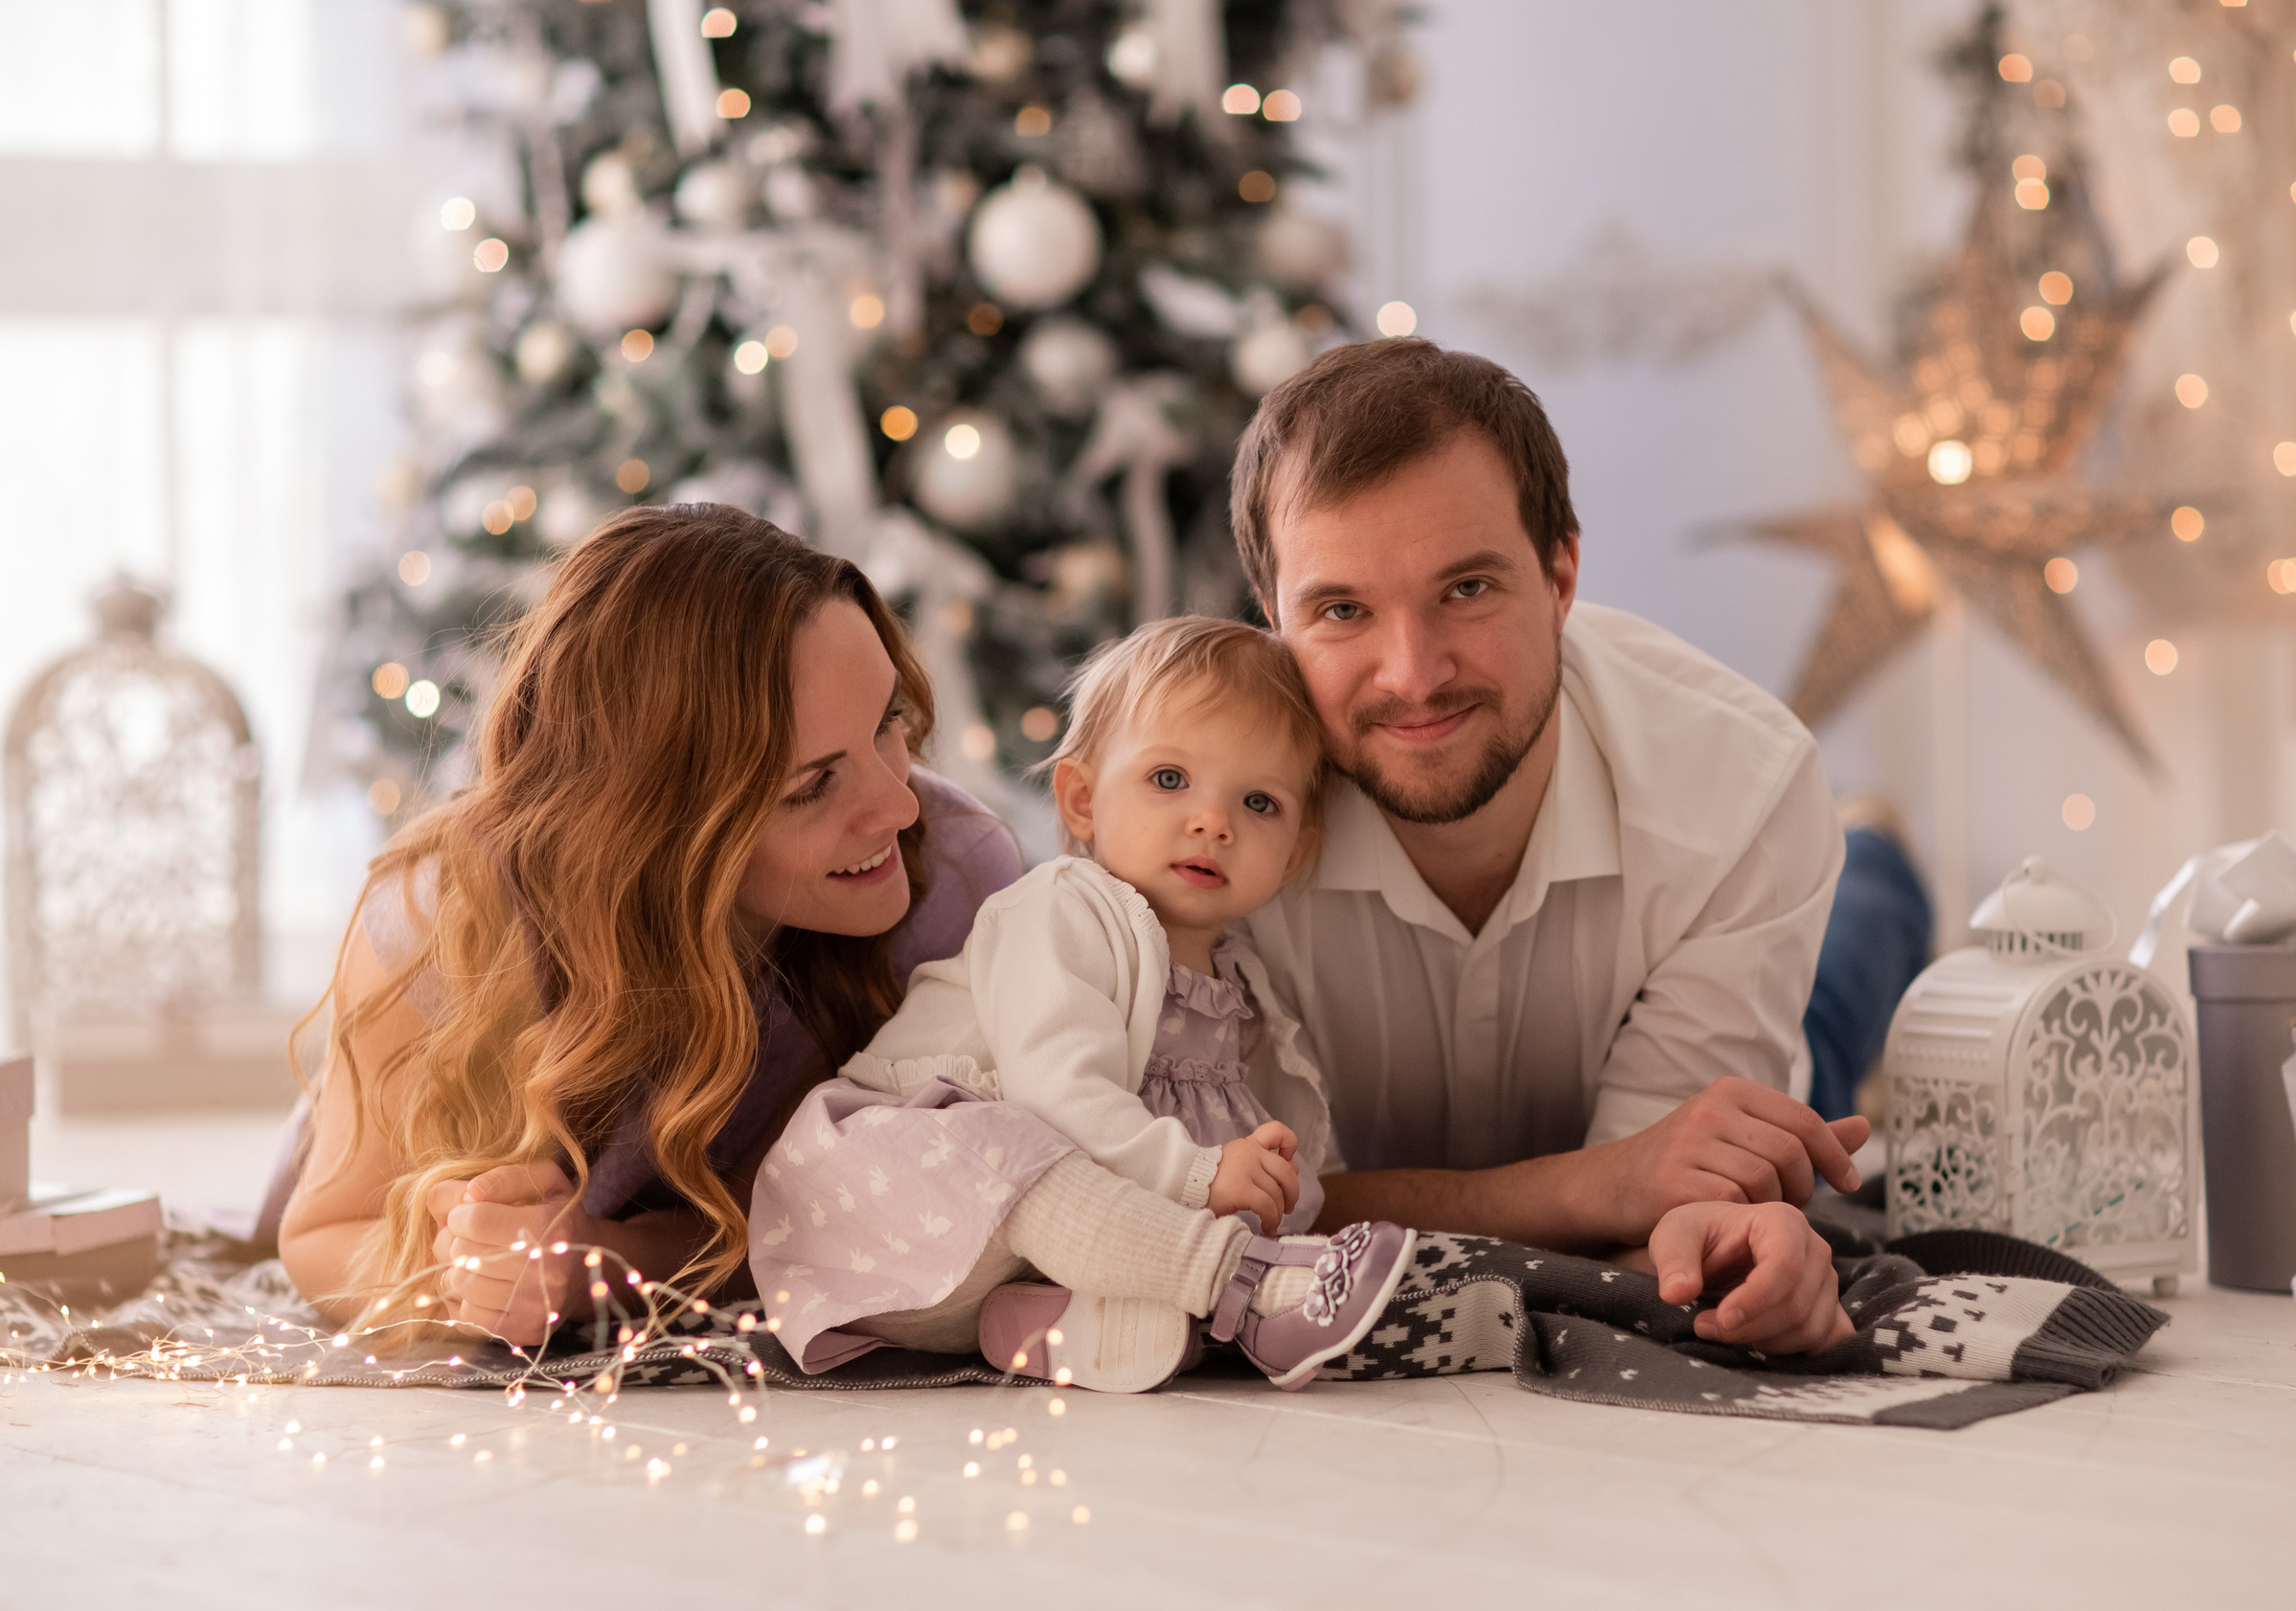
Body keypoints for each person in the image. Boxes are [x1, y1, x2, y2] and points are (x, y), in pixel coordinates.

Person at [273, 507, 1371, 1370]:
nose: (895, 806)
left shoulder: (949, 873)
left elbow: (819, 1218)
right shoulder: (441, 923)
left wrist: (600, 1265)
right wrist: (460, 1268)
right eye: (812, 786)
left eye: (889, 722)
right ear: (658, 826)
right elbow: (319, 1239)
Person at [1230, 338, 1880, 1330]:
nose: (1411, 674)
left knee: (1848, 987)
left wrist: (1706, 1234)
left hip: (1754, 1066)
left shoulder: (1740, 787)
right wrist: (1599, 1188)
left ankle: (1881, 859)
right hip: (1617, 1129)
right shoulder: (1203, 824)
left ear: (1561, 574)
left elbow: (1668, 1200)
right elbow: (1236, 1216)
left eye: (1465, 590)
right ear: (1273, 620)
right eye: (1341, 610)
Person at [752, 617, 1416, 1392]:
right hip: (876, 1202)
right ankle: (1243, 1286)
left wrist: (1279, 1186)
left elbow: (1248, 1127)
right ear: (1081, 799)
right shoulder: (1064, 909)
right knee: (1022, 1150)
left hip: (994, 1267)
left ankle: (1057, 1321)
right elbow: (1060, 1099)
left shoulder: (1237, 986)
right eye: (1169, 779)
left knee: (1083, 1204)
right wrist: (1202, 1176)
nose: (1213, 822)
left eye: (1260, 802)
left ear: (1298, 846)